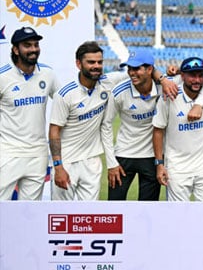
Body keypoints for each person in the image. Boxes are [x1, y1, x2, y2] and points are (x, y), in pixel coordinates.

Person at [152, 57, 203, 201]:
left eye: (200, 75)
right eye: (192, 75)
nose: (197, 80)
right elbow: (158, 130)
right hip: (177, 168)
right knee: (178, 216)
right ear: (182, 76)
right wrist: (159, 164)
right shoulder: (168, 96)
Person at [0, 27, 59, 200]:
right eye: (27, 45)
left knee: (29, 212)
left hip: (38, 154)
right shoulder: (3, 76)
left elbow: (64, 102)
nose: (33, 49)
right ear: (15, 50)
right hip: (7, 152)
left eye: (36, 45)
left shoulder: (47, 74)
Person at [49, 41, 113, 201]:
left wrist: (163, 78)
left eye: (99, 62)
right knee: (62, 215)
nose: (96, 66)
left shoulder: (107, 83)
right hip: (67, 163)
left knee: (90, 215)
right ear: (79, 64)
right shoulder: (65, 95)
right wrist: (58, 167)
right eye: (91, 62)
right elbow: (54, 131)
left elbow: (140, 71)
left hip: (91, 162)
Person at [102, 51, 163, 201]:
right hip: (124, 155)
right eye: (129, 69)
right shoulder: (119, 92)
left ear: (150, 70)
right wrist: (111, 163)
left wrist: (170, 75)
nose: (131, 73)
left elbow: (192, 77)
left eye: (136, 69)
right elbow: (106, 125)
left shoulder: (163, 88)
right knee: (115, 208)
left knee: (148, 210)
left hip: (151, 157)